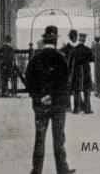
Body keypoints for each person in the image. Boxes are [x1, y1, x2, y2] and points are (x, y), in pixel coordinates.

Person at [25, 25, 75, 174]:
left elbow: (29, 81)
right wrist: (54, 96)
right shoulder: (61, 58)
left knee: (40, 138)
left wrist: (40, 96)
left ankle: (36, 171)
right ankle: (62, 170)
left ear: (44, 40)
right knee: (59, 138)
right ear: (55, 41)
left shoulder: (35, 59)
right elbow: (65, 82)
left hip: (40, 105)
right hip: (58, 105)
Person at [70, 33, 94, 114]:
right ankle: (87, 109)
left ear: (79, 40)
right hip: (86, 71)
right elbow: (92, 59)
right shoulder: (88, 49)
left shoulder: (74, 49)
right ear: (84, 40)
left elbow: (71, 61)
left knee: (76, 90)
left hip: (77, 71)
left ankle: (77, 109)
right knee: (86, 90)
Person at [60, 30, 78, 110]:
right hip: (73, 71)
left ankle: (68, 107)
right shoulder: (76, 48)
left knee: (68, 89)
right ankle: (76, 107)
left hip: (68, 71)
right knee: (74, 89)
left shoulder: (65, 48)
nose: (76, 38)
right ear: (74, 37)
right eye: (75, 36)